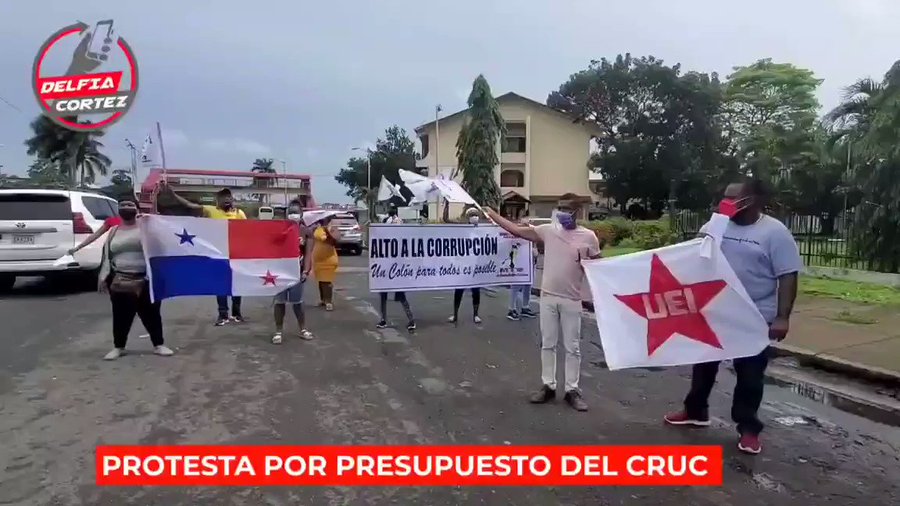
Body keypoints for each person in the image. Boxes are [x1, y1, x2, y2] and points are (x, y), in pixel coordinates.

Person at [664, 178, 802, 455]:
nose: (725, 203)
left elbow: (788, 275)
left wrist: (782, 317)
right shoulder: (716, 225)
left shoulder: (775, 233)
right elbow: (695, 256)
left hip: (754, 316)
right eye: (724, 197)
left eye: (732, 198)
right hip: (716, 310)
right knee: (703, 365)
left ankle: (748, 428)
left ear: (752, 201)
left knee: (750, 375)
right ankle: (695, 411)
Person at [484, 194, 600, 412]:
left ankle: (572, 390)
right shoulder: (548, 231)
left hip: (572, 300)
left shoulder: (588, 237)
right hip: (548, 298)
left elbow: (598, 266)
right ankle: (548, 386)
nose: (562, 213)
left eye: (567, 209)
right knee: (548, 344)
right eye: (560, 208)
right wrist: (493, 215)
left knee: (572, 347)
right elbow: (516, 230)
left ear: (578, 211)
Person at [160, 181, 247, 325]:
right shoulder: (211, 211)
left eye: (228, 196)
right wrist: (173, 195)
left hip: (235, 253)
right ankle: (223, 314)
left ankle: (237, 313)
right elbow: (189, 206)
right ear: (217, 200)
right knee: (220, 284)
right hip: (218, 254)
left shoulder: (239, 214)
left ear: (232, 199)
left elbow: (247, 232)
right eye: (223, 196)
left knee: (237, 284)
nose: (226, 199)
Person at [98, 198, 174, 360]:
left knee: (151, 314)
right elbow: (107, 255)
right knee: (121, 315)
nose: (126, 207)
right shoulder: (113, 231)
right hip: (121, 279)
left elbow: (160, 249)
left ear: (137, 209)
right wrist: (103, 276)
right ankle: (119, 347)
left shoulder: (147, 230)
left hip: (146, 279)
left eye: (130, 205)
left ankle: (158, 345)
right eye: (123, 205)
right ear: (118, 210)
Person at [272, 201, 314, 344]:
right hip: (280, 271)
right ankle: (278, 331)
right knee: (280, 302)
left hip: (297, 271)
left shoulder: (306, 231)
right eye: (291, 212)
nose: (293, 215)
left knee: (298, 302)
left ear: (301, 214)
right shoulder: (279, 229)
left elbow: (308, 253)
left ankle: (303, 329)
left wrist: (306, 271)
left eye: (296, 212)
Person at [377, 206, 416, 332]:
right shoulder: (390, 227)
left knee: (398, 295)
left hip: (395, 267)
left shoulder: (397, 230)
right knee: (386, 294)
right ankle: (386, 319)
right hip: (388, 266)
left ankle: (410, 320)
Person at [448, 207, 483, 325]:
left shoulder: (482, 230)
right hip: (463, 266)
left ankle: (476, 315)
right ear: (468, 217)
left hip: (475, 266)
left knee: (476, 291)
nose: (474, 217)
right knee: (458, 291)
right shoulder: (463, 230)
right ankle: (455, 315)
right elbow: (447, 220)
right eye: (472, 215)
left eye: (475, 214)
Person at [508, 215, 538, 321]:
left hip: (530, 263)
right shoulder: (514, 231)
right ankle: (511, 309)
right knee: (516, 286)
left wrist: (534, 251)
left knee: (528, 286)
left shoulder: (532, 230)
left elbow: (535, 244)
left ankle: (525, 307)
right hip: (518, 263)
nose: (526, 222)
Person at [312, 216, 339, 311]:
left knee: (327, 281)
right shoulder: (318, 229)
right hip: (319, 261)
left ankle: (328, 301)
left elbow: (330, 240)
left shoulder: (331, 229)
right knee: (321, 281)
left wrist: (327, 231)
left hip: (328, 260)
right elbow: (316, 236)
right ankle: (323, 299)